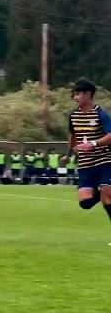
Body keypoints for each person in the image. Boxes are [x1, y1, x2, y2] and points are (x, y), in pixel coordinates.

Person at [62, 77, 111, 229]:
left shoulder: (101, 114)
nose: (75, 98)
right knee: (85, 203)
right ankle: (100, 190)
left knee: (107, 198)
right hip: (85, 164)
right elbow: (73, 136)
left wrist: (92, 143)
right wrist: (68, 155)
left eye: (78, 94)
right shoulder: (73, 116)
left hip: (104, 161)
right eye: (74, 94)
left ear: (88, 94)